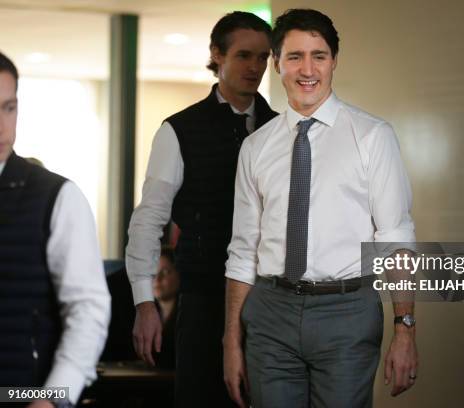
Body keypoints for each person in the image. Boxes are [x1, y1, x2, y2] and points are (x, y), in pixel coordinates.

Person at [223, 9, 418, 408]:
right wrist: (231, 339)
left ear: (334, 62)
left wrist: (405, 329)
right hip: (270, 313)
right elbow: (243, 250)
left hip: (346, 312)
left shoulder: (372, 137)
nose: (307, 69)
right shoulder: (256, 148)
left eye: (319, 56)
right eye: (294, 56)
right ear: (277, 63)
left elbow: (395, 239)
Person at [125, 11, 277, 407]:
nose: (256, 67)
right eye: (245, 55)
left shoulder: (283, 128)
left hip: (271, 303)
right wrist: (145, 303)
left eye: (264, 57)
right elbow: (148, 219)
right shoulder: (179, 130)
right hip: (203, 300)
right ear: (217, 55)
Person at [0, 51, 111, 408]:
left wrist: (52, 397)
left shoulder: (57, 196)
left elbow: (87, 308)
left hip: (25, 394)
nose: (3, 125)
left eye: (8, 108)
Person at [153, 246, 179, 369]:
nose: (157, 279)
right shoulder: (144, 314)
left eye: (165, 272)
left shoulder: (190, 318)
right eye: (153, 273)